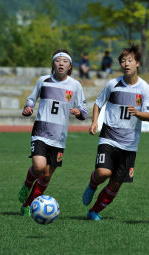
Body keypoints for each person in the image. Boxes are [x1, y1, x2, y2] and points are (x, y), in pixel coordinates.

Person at [82, 45, 149, 221]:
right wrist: (95, 122)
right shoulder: (112, 84)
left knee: (116, 183)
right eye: (123, 61)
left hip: (129, 144)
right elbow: (98, 103)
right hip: (109, 137)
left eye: (129, 60)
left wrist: (138, 113)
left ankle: (94, 211)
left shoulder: (145, 88)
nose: (126, 64)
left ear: (137, 63)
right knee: (103, 173)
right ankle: (92, 183)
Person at [18, 49, 88, 216]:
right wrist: (28, 107)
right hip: (41, 130)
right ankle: (27, 184)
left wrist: (79, 112)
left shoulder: (75, 85)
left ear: (70, 66)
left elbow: (84, 109)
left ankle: (28, 205)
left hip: (59, 136)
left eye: (65, 61)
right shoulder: (43, 81)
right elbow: (31, 99)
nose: (61, 63)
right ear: (53, 64)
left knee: (47, 175)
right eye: (58, 60)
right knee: (39, 166)